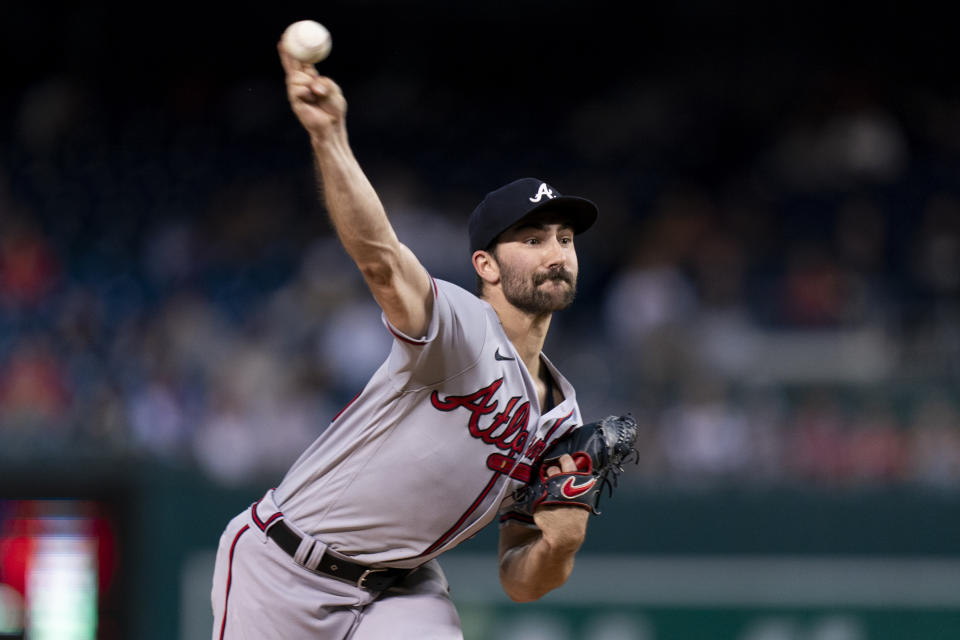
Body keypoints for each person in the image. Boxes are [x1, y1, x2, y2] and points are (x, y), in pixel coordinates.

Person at [210, 42, 601, 640]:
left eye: (565, 239)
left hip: (401, 591)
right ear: (486, 266)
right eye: (532, 239)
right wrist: (330, 137)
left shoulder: (562, 419)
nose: (556, 253)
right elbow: (381, 258)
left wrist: (562, 542)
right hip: (284, 566)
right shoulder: (464, 327)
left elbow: (521, 582)